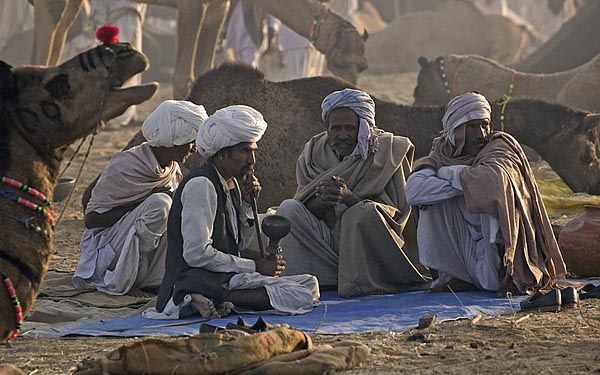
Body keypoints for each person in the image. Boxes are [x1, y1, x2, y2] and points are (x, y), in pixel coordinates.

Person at [153, 105, 319, 319]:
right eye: (245, 151)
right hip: (197, 276)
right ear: (222, 154)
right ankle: (207, 298)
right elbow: (196, 254)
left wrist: (248, 204)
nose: (252, 161)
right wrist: (255, 267)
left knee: (309, 284)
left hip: (222, 275)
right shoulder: (201, 185)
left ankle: (216, 299)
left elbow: (238, 246)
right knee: (299, 294)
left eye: (253, 152)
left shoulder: (231, 184)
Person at [405, 92, 566, 295]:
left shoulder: (499, 146)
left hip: (494, 245)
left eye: (484, 125)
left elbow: (493, 183)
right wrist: (463, 184)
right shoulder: (443, 152)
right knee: (433, 204)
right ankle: (455, 276)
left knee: (488, 195)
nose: (480, 134)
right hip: (463, 243)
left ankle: (507, 276)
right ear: (454, 129)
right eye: (471, 127)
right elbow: (413, 191)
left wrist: (449, 174)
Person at [276, 89, 429, 297]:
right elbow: (304, 205)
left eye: (350, 128)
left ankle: (361, 280)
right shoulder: (313, 152)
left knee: (360, 213)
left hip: (371, 248)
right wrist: (323, 200)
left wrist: (349, 198)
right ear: (327, 128)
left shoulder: (388, 150)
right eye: (336, 128)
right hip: (327, 243)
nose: (343, 135)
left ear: (365, 126)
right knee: (288, 208)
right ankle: (323, 278)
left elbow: (399, 215)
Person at [73, 100, 207, 296]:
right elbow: (92, 220)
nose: (194, 149)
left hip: (140, 249)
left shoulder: (172, 169)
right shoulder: (126, 165)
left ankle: (152, 278)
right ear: (173, 141)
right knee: (160, 204)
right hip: (107, 247)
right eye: (191, 142)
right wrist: (145, 200)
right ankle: (125, 278)